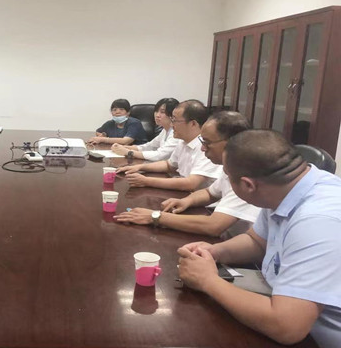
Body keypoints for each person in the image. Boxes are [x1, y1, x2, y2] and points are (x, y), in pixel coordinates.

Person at [177, 130, 341, 348]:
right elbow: (257, 242)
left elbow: (287, 327)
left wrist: (208, 281)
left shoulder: (317, 222)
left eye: (228, 176)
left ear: (248, 185)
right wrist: (215, 251)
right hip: (291, 310)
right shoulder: (285, 188)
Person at [114, 111, 261, 238]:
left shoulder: (248, 176)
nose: (202, 148)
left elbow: (213, 226)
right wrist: (187, 201)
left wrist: (155, 216)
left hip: (237, 245)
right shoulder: (230, 167)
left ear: (233, 143)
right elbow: (210, 192)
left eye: (207, 143)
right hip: (227, 237)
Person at [117, 100, 221, 191]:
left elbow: (191, 183)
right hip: (186, 194)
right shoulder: (183, 142)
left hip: (203, 203)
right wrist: (138, 167)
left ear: (193, 124)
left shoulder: (206, 146)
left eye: (174, 120)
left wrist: (146, 181)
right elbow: (169, 165)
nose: (171, 124)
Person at [111, 98, 180, 161]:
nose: (157, 115)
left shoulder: (177, 133)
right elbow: (150, 146)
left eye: (162, 112)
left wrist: (129, 152)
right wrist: (125, 148)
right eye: (156, 111)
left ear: (173, 115)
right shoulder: (165, 130)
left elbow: (160, 155)